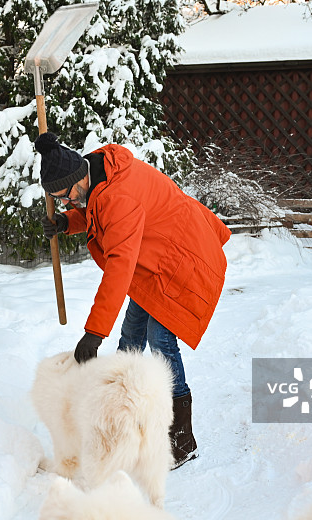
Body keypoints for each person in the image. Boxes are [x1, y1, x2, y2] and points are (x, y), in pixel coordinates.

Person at [36, 132, 231, 469]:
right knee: (130, 336)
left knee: (160, 340)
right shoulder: (98, 174)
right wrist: (68, 221)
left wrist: (94, 333)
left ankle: (181, 438)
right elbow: (95, 211)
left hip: (184, 260)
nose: (65, 201)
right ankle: (124, 415)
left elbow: (119, 268)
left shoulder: (118, 196)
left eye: (64, 195)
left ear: (77, 179)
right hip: (156, 259)